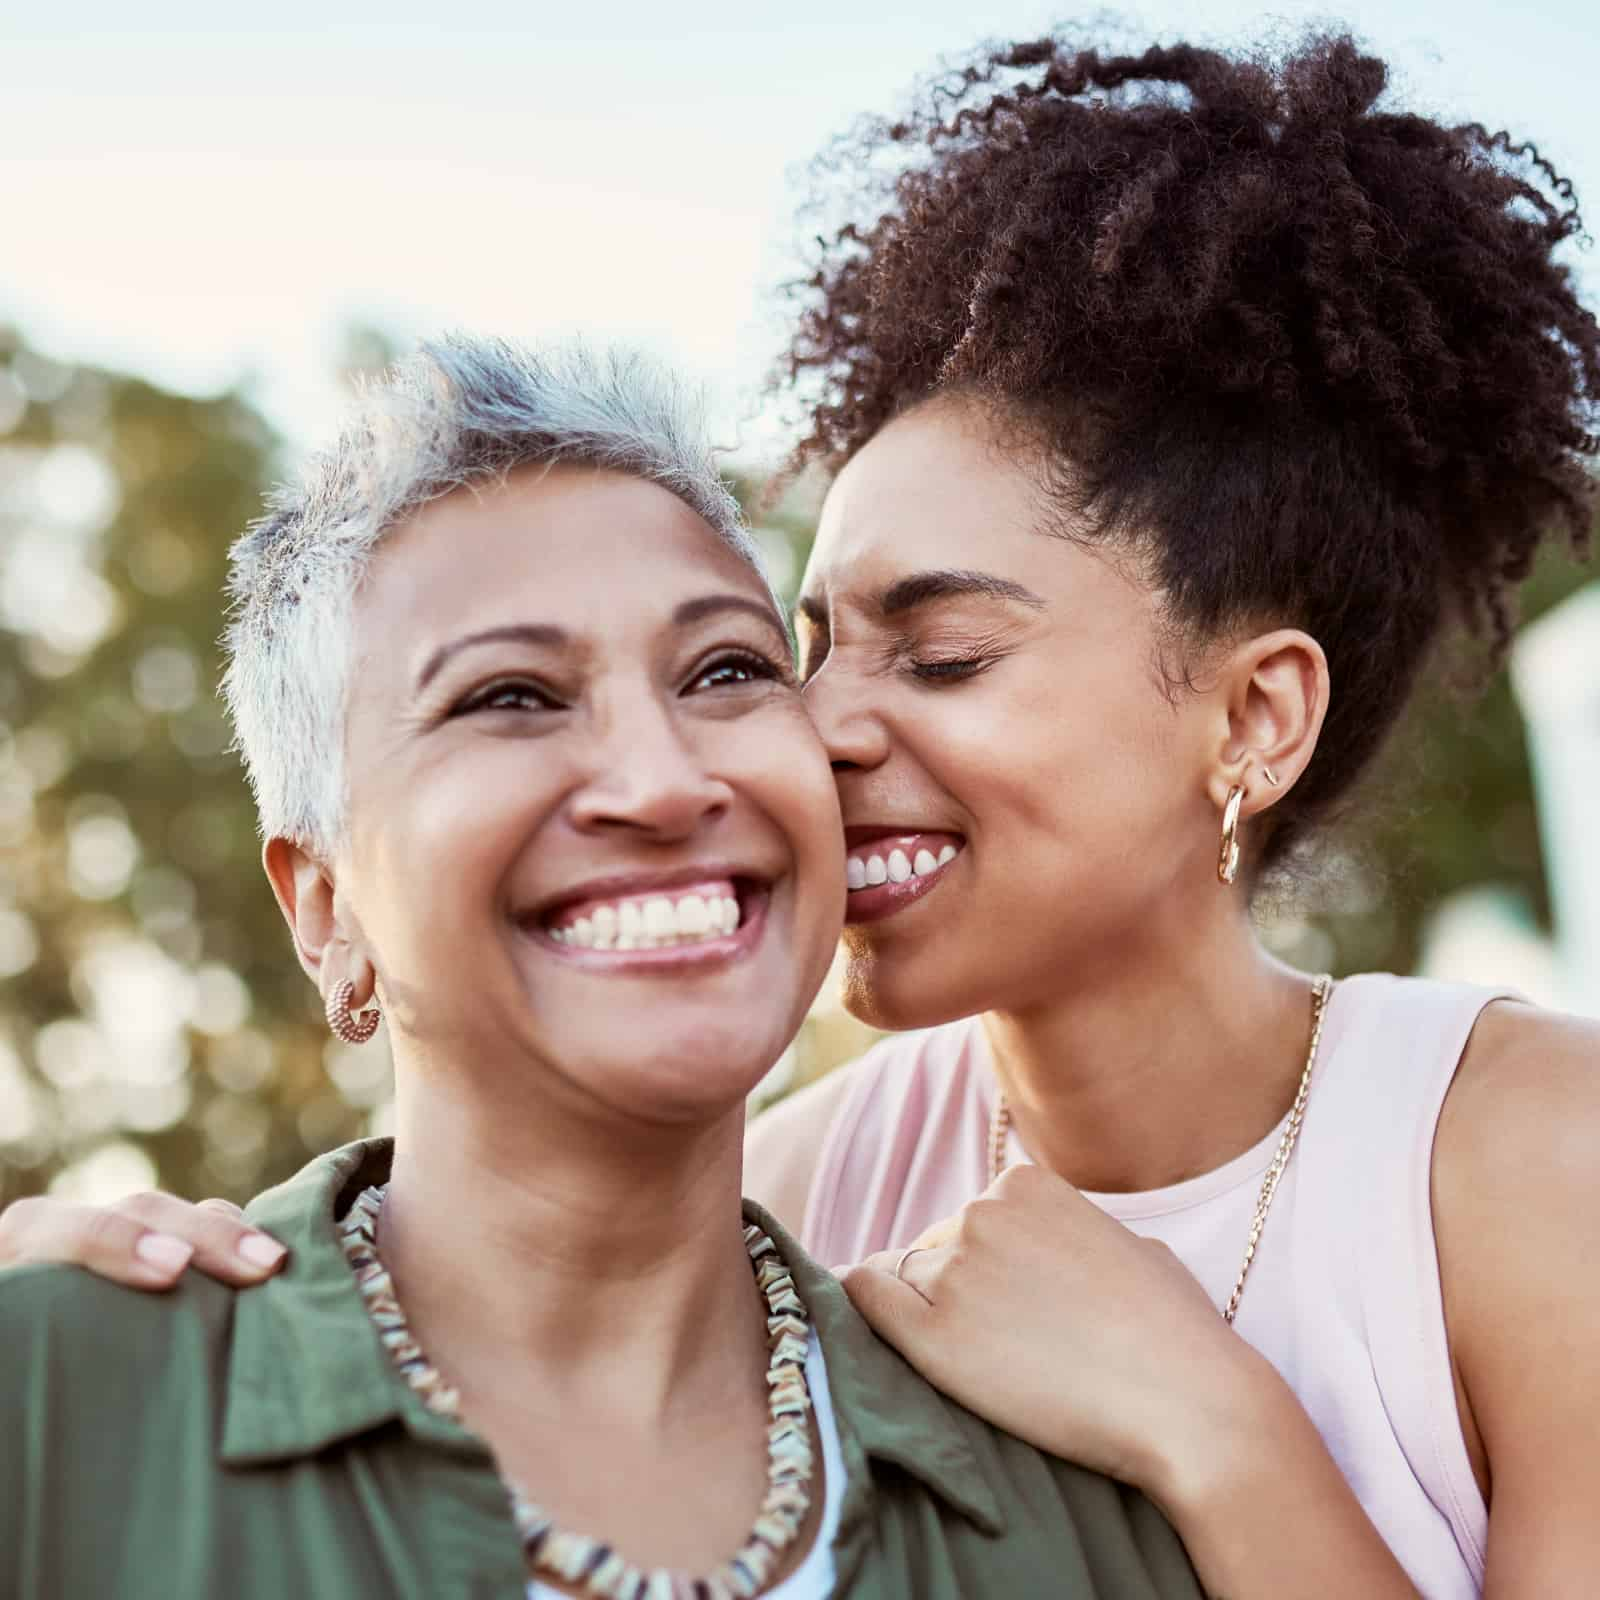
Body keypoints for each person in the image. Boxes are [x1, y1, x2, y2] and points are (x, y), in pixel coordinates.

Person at [7, 27, 1599, 1600]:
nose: (818, 730)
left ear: (1252, 717)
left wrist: (1219, 1433)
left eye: (947, 656)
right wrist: (109, 1316)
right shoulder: (800, 1181)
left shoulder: (1528, 1155)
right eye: (808, 646)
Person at [0, 336, 1201, 1599]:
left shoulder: (1074, 1499)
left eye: (727, 671)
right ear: (323, 908)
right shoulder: (57, 1414)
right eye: (509, 697)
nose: (667, 781)